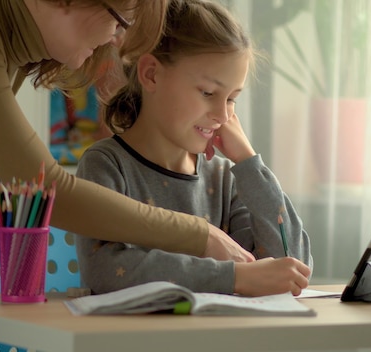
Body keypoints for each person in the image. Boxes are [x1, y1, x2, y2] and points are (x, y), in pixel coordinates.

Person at [0, 0, 256, 350]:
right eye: (118, 21)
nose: (116, 38)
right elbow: (52, 190)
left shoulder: (8, 39)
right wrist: (199, 234)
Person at [75, 0, 313, 298]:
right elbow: (106, 271)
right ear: (151, 74)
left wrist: (249, 162)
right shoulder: (108, 165)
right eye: (208, 93)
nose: (223, 116)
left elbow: (292, 267)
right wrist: (232, 277)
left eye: (231, 99)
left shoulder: (226, 177)